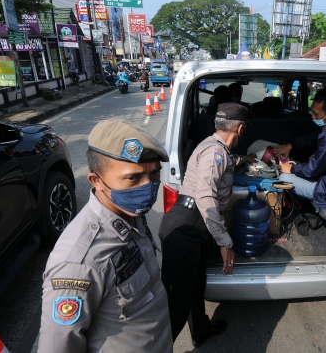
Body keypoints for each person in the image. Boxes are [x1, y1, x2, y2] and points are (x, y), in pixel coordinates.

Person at [38, 120, 173, 353]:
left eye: (154, 174)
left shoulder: (131, 215)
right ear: (96, 181)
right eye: (133, 178)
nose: (148, 186)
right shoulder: (79, 263)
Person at [159, 103, 256, 348]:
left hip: (188, 224)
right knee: (176, 306)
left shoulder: (213, 146)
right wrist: (225, 242)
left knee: (195, 286)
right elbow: (205, 196)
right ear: (241, 129)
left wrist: (246, 159)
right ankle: (157, 346)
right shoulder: (216, 153)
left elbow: (229, 161)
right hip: (187, 227)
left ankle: (200, 331)